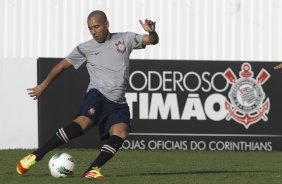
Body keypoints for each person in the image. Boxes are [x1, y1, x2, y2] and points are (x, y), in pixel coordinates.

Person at [16, 10, 159, 179]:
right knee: (82, 124)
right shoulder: (85, 48)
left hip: (118, 101)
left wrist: (152, 32)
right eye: (90, 28)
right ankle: (36, 155)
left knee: (121, 132)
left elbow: (152, 41)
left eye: (96, 27)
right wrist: (43, 86)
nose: (93, 31)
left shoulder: (125, 38)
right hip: (97, 94)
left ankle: (92, 170)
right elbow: (61, 66)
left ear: (106, 24)